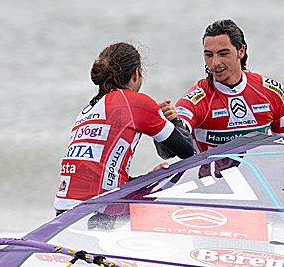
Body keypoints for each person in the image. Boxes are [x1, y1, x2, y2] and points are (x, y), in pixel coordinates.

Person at [55, 41, 194, 215]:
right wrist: (173, 119)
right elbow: (189, 151)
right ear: (136, 74)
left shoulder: (86, 112)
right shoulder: (134, 102)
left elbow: (104, 175)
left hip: (62, 212)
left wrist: (147, 180)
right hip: (96, 212)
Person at [158, 19, 284, 154]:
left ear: (241, 51)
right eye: (209, 55)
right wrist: (168, 124)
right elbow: (169, 152)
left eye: (223, 54)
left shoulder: (272, 93)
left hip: (255, 173)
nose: (215, 63)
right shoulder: (196, 100)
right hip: (209, 175)